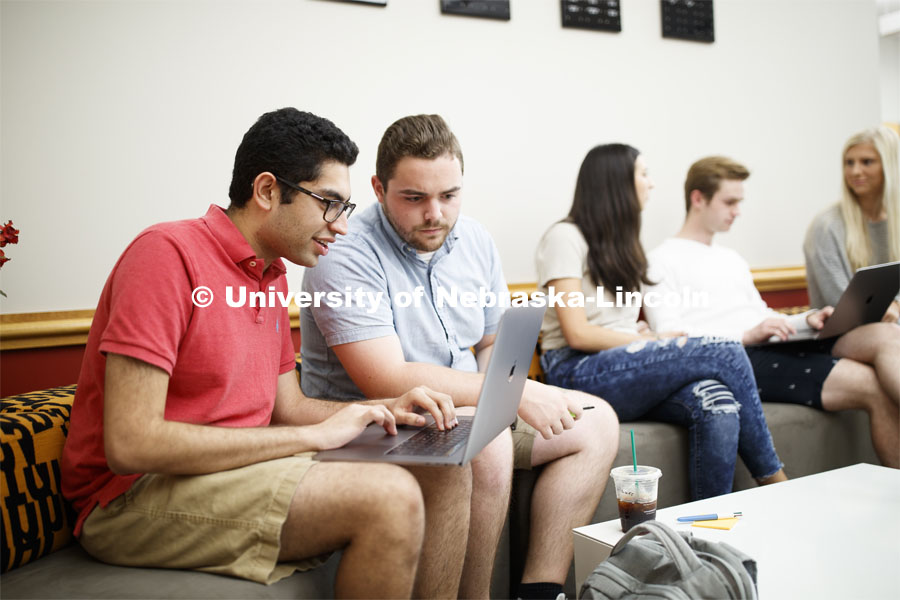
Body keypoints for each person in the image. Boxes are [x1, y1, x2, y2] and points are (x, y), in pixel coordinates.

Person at [60, 108, 475, 598]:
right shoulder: (165, 254)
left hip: (230, 471)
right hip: (130, 494)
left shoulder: (271, 275)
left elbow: (288, 407)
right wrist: (314, 435)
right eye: (329, 203)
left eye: (346, 207)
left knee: (447, 462)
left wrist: (377, 409)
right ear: (266, 191)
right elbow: (132, 445)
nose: (341, 227)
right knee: (389, 496)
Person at [300, 114, 618, 600]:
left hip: (466, 405)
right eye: (414, 198)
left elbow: (490, 341)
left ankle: (540, 593)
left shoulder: (474, 240)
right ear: (379, 189)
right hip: (375, 424)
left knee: (597, 422)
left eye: (448, 196)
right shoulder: (344, 253)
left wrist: (496, 400)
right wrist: (512, 394)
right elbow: (386, 378)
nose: (435, 214)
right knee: (484, 439)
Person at [536, 144, 787, 502]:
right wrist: (652, 344)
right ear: (616, 181)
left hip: (614, 368)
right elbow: (576, 332)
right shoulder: (565, 237)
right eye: (643, 174)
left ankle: (708, 525)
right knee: (726, 351)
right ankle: (777, 484)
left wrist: (648, 337)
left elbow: (611, 324)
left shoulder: (623, 244)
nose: (651, 184)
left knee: (717, 401)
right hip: (574, 372)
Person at [644, 155, 899, 468]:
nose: (738, 211)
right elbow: (670, 336)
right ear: (698, 198)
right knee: (871, 384)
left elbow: (760, 315)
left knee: (886, 333)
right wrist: (746, 335)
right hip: (738, 357)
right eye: (730, 202)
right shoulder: (659, 261)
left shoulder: (731, 258)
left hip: (776, 341)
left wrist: (806, 319)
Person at [804, 125, 900, 321]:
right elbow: (840, 302)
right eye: (849, 163)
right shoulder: (826, 226)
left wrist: (896, 306)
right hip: (843, 332)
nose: (855, 171)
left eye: (867, 162)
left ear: (889, 166)